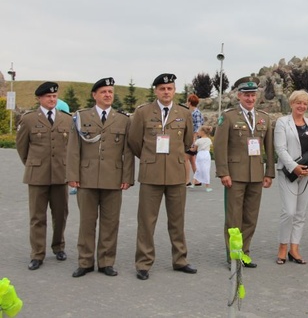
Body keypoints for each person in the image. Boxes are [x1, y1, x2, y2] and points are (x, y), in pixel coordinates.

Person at [128, 73, 197, 280]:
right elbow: (134, 141)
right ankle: (143, 263)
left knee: (177, 221)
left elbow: (187, 141)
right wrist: (150, 158)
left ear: (174, 90)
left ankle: (180, 260)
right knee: (146, 222)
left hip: (176, 174)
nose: (166, 92)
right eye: (162, 88)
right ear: (155, 91)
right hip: (151, 174)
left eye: (169, 88)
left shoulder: (183, 113)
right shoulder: (142, 112)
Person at [67, 77, 134, 278]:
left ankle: (106, 262)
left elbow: (128, 151)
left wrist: (127, 176)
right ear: (94, 95)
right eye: (103, 92)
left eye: (110, 92)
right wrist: (72, 175)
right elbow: (73, 149)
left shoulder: (123, 119)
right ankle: (85, 261)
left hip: (113, 178)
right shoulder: (81, 117)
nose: (107, 95)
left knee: (110, 222)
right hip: (86, 178)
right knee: (87, 222)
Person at [214, 76, 275, 268]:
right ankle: (233, 255)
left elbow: (269, 148)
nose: (250, 99)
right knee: (234, 218)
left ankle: (244, 252)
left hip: (256, 175)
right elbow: (219, 145)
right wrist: (223, 172)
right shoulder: (229, 117)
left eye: (253, 95)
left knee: (250, 217)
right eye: (246, 95)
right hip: (235, 175)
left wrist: (269, 173)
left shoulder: (264, 117)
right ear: (239, 96)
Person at [15, 81, 73, 270]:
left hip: (60, 174)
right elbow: (22, 148)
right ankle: (37, 254)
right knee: (37, 217)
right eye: (48, 96)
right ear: (40, 98)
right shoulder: (29, 119)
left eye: (54, 96)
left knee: (60, 214)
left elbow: (71, 148)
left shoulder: (66, 119)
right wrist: (33, 165)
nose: (52, 99)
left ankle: (59, 246)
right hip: (37, 176)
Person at [274, 90, 308, 265]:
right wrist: (294, 167)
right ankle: (282, 246)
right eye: (298, 103)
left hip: (307, 174)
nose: (301, 106)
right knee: (289, 212)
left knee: (301, 213)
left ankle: (294, 248)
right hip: (288, 172)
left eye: (305, 103)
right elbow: (280, 148)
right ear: (292, 104)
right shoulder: (282, 122)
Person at [185, 94, 204, 187]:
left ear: (189, 102)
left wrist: (193, 140)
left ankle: (186, 180)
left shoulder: (196, 113)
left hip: (193, 139)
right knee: (192, 159)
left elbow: (198, 128)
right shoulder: (192, 112)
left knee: (185, 159)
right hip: (192, 138)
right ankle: (197, 180)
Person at [191, 125, 213, 192]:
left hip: (200, 154)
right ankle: (207, 186)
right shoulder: (209, 140)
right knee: (206, 169)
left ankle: (193, 183)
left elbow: (194, 149)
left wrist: (190, 148)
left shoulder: (198, 141)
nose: (198, 133)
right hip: (206, 154)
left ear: (202, 132)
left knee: (198, 169)